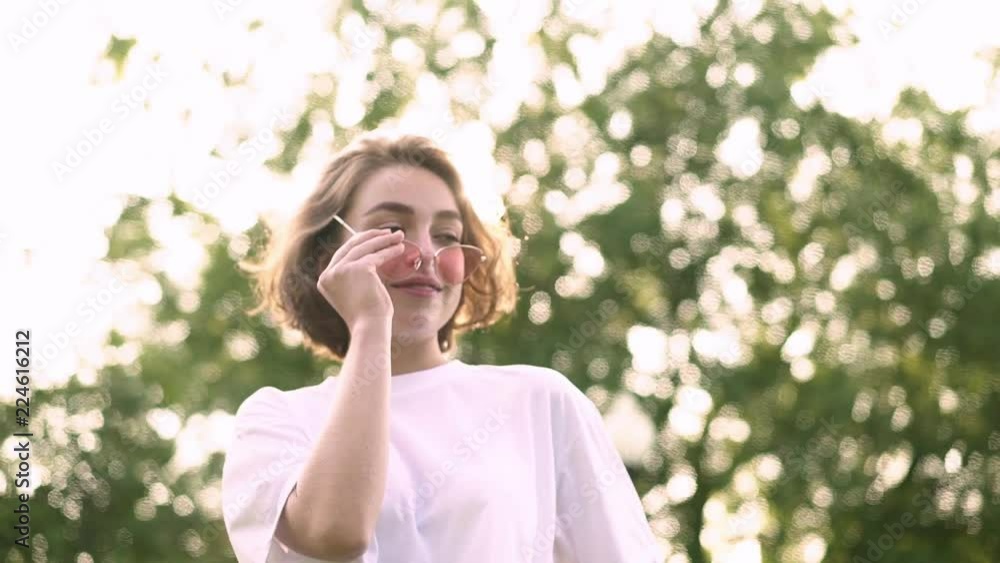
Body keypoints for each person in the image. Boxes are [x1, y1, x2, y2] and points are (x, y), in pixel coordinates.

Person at [221, 134, 663, 562]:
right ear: (327, 258)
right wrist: (372, 323)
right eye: (392, 230)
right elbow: (337, 533)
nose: (427, 254)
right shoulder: (274, 421)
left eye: (448, 236)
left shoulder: (541, 401)